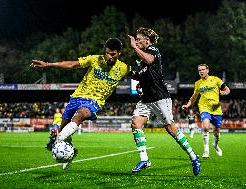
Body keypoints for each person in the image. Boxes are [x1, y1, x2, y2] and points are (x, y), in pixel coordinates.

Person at [30, 38, 131, 169]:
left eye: (112, 54)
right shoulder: (95, 59)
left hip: (94, 101)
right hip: (76, 97)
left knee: (80, 115)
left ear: (119, 54)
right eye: (107, 53)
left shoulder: (124, 68)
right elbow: (72, 64)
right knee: (65, 128)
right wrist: (48, 65)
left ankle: (58, 138)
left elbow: (141, 75)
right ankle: (69, 151)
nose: (109, 56)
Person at [127, 27, 200, 176]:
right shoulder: (141, 59)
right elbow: (140, 75)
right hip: (146, 98)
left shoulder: (153, 50)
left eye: (139, 39)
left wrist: (134, 47)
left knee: (171, 129)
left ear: (147, 40)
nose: (136, 41)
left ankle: (193, 156)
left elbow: (149, 60)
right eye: (136, 39)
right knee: (135, 124)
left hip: (160, 97)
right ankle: (144, 159)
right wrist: (127, 72)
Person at [182, 64, 230, 158]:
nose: (201, 71)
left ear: (207, 70)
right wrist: (188, 105)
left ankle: (215, 145)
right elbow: (194, 97)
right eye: (199, 70)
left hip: (216, 108)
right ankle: (206, 151)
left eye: (203, 69)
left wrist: (224, 92)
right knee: (206, 127)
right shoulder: (198, 83)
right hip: (204, 108)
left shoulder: (216, 79)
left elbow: (227, 89)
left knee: (216, 132)